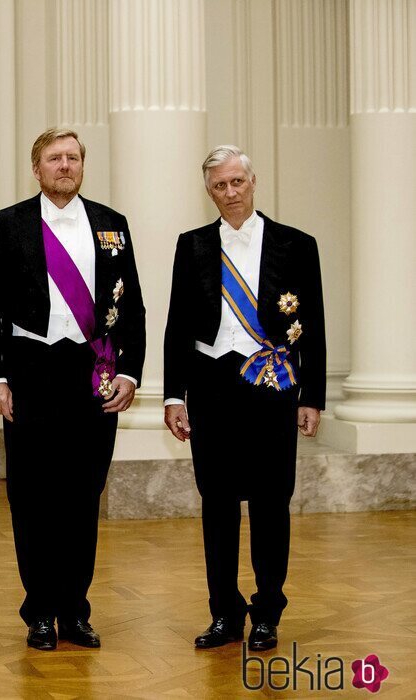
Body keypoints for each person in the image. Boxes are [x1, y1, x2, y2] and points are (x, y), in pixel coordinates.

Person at [0, 128, 145, 650]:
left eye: (72, 158)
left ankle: (75, 609)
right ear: (37, 167)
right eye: (54, 158)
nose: (64, 166)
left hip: (94, 372)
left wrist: (132, 373)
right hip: (29, 373)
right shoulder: (10, 224)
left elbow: (131, 306)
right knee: (31, 496)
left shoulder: (112, 225)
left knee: (83, 494)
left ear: (82, 166)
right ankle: (40, 611)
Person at [163, 145, 326, 652]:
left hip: (273, 389)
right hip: (211, 388)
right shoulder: (191, 245)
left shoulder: (296, 244)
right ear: (208, 191)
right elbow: (177, 326)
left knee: (272, 503)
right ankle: (224, 613)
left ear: (253, 183)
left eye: (237, 182)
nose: (230, 193)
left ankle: (267, 612)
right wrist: (173, 395)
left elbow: (314, 325)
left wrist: (311, 396)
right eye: (219, 186)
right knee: (218, 506)